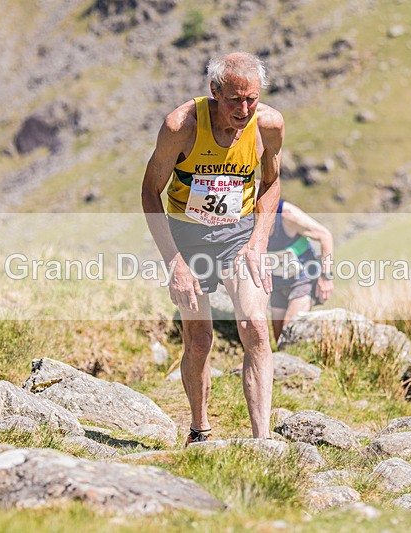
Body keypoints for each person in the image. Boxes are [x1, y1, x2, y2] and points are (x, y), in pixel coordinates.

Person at [141, 52, 284, 444]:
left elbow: (271, 183)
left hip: (238, 234)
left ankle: (262, 441)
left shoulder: (268, 125)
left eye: (251, 99)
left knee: (254, 326)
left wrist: (258, 241)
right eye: (235, 99)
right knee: (200, 338)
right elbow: (150, 192)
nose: (243, 109)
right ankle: (199, 429)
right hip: (187, 236)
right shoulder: (181, 126)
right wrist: (175, 263)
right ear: (214, 91)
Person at [268, 200, 333, 343]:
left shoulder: (287, 215)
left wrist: (326, 277)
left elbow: (325, 235)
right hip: (277, 283)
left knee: (289, 332)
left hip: (304, 280)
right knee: (279, 337)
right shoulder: (245, 216)